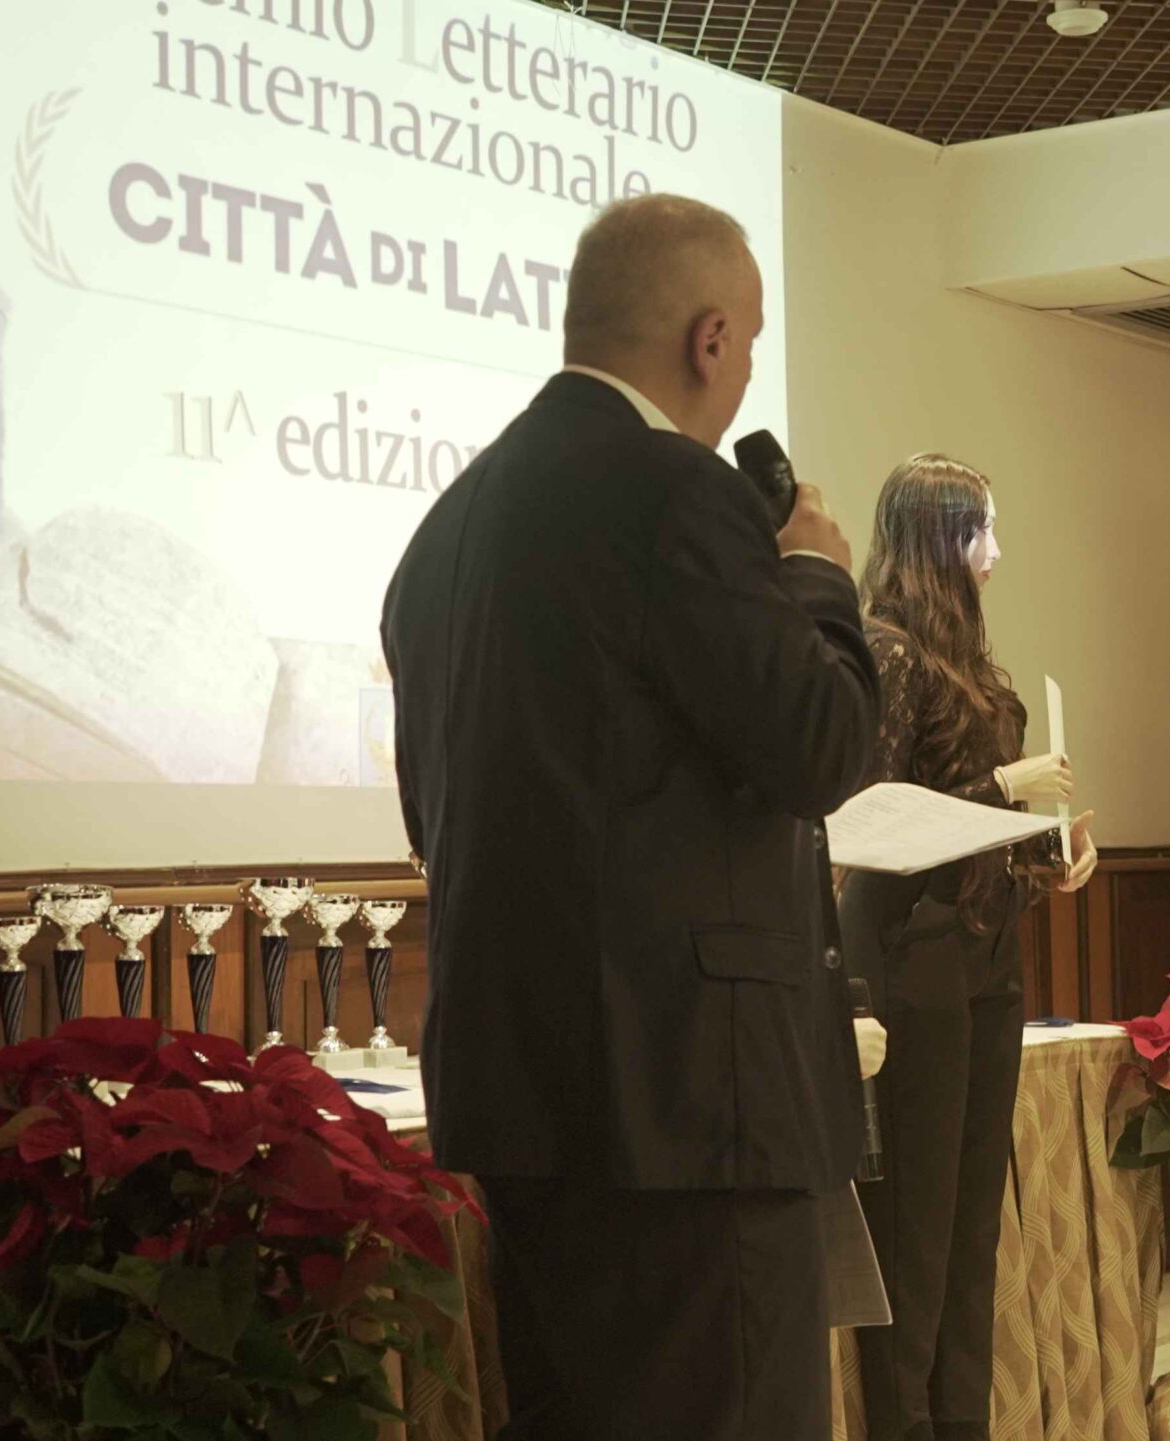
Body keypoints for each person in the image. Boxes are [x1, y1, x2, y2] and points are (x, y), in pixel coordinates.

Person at [379, 193, 885, 1441]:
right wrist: (818, 578)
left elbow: (433, 813)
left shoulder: (444, 530)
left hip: (522, 1094)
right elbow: (821, 746)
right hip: (690, 1102)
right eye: (749, 342)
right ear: (710, 340)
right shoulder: (675, 493)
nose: (745, 368)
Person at [840, 454, 1097, 1441]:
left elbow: (975, 834)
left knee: (971, 1234)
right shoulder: (885, 651)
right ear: (937, 538)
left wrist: (1049, 852)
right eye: (982, 528)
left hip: (984, 957)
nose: (996, 551)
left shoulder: (972, 667)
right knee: (917, 1234)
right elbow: (870, 818)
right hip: (909, 959)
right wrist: (1006, 788)